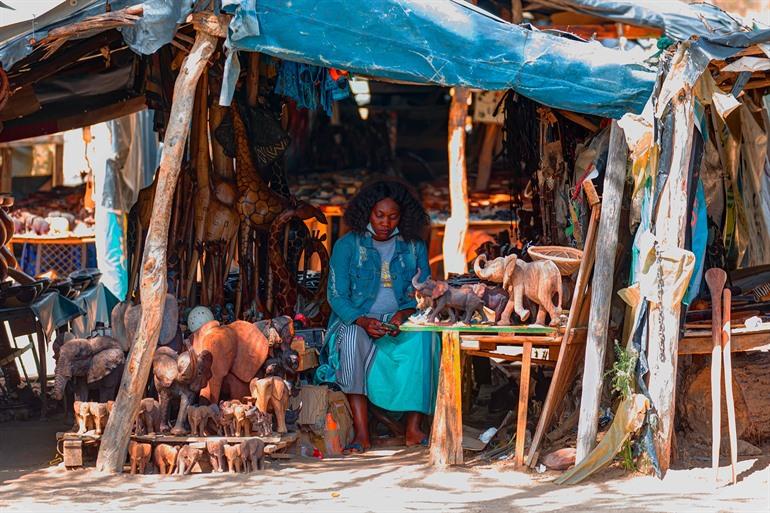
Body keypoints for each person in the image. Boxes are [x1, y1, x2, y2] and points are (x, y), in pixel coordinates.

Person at [316, 180, 439, 452]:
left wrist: (404, 314)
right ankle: (362, 434)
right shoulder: (347, 246)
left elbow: (425, 290)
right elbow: (336, 296)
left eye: (393, 217)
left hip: (400, 319)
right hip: (357, 320)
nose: (385, 222)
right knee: (349, 340)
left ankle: (413, 429)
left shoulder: (414, 246)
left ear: (403, 217)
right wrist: (362, 320)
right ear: (367, 213)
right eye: (379, 215)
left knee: (426, 337)